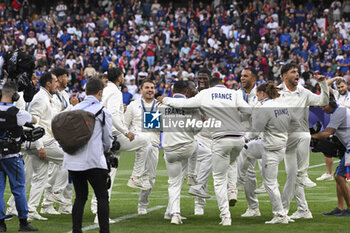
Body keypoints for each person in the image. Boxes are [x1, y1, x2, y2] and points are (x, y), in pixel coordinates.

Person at [158, 77, 251, 226]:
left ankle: (224, 216)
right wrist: (241, 123)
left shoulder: (204, 94)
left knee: (215, 178)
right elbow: (248, 111)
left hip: (175, 147)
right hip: (238, 138)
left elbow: (182, 105)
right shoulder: (234, 93)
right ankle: (230, 189)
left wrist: (164, 100)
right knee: (230, 162)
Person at [91, 68, 152, 223]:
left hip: (102, 136)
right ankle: (136, 177)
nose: (124, 77)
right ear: (119, 77)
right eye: (123, 75)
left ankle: (97, 209)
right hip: (113, 136)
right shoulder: (116, 92)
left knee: (108, 174)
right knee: (145, 142)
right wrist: (126, 131)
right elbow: (110, 115)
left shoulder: (105, 91)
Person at [278, 63, 329, 219]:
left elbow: (323, 101)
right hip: (284, 138)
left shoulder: (303, 91)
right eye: (293, 72)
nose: (297, 74)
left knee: (294, 176)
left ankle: (301, 210)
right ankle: (302, 176)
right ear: (284, 76)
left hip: (298, 136)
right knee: (293, 175)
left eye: (297, 72)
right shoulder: (277, 92)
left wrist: (323, 83)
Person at [63, 77, 113, 233]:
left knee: (80, 197)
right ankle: (104, 231)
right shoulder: (102, 111)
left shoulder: (72, 109)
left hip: (73, 159)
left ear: (86, 91)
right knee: (102, 197)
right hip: (94, 160)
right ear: (100, 92)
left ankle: (76, 230)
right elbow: (107, 140)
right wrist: (106, 150)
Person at [246, 82, 298, 224]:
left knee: (270, 183)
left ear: (263, 94)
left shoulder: (265, 108)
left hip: (271, 149)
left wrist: (245, 137)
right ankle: (239, 180)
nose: (256, 97)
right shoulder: (284, 104)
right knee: (246, 152)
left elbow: (255, 131)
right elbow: (296, 124)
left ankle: (280, 215)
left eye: (257, 95)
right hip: (281, 146)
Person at [26, 72, 67, 220]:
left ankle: (31, 211)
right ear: (48, 84)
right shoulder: (40, 99)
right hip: (41, 141)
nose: (57, 84)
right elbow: (32, 122)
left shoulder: (48, 98)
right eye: (55, 81)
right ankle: (56, 194)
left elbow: (53, 119)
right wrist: (39, 146)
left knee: (39, 178)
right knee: (69, 159)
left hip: (43, 141)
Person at [161, 80, 201, 224]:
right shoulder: (192, 107)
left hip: (169, 149)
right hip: (186, 147)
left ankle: (173, 213)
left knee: (173, 182)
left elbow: (157, 125)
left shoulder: (163, 104)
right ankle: (193, 175)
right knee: (199, 146)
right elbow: (197, 129)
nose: (194, 90)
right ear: (186, 91)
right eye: (192, 88)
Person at [0, 81, 38, 231]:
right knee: (19, 188)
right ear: (15, 95)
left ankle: (1, 224)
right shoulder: (18, 113)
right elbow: (34, 120)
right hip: (12, 155)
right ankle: (23, 222)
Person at [40, 67, 79, 215]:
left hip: (64, 136)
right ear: (60, 78)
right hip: (52, 137)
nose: (67, 80)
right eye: (65, 77)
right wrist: (72, 108)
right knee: (53, 172)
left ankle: (63, 203)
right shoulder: (53, 96)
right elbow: (57, 116)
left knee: (66, 171)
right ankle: (46, 204)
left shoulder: (64, 94)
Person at [124, 79, 160, 215]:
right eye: (147, 87)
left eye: (152, 87)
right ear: (141, 90)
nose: (150, 90)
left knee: (150, 178)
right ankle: (136, 176)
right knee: (145, 176)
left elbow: (168, 127)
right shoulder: (133, 105)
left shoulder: (160, 106)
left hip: (154, 144)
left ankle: (143, 203)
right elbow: (125, 124)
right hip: (138, 143)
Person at [312, 94, 350, 217]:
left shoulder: (340, 111)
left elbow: (328, 132)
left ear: (332, 103)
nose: (322, 108)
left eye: (324, 105)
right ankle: (340, 208)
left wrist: (310, 136)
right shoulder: (339, 111)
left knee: (339, 176)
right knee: (338, 175)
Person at [317, 77, 350, 181]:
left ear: (347, 86)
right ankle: (328, 173)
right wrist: (336, 78)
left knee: (347, 151)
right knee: (327, 147)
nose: (340, 89)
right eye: (338, 87)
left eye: (342, 86)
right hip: (336, 128)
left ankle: (347, 174)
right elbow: (325, 85)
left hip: (347, 128)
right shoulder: (336, 94)